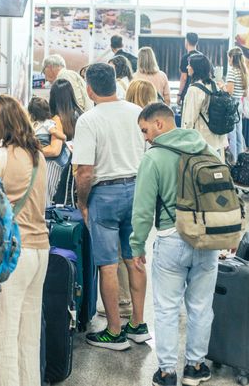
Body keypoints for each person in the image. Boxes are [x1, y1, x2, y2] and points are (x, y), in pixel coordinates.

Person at [131, 102, 218, 386]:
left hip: (172, 239)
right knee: (201, 306)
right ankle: (195, 367)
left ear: (159, 123)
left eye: (145, 130)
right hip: (207, 238)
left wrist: (137, 246)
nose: (146, 137)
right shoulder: (206, 148)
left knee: (167, 308)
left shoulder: (154, 158)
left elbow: (142, 210)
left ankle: (167, 372)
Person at [73, 62, 148, 350]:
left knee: (108, 265)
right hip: (137, 190)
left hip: (104, 195)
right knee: (135, 259)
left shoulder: (89, 120)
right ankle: (138, 324)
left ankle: (114, 331)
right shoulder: (136, 112)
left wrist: (82, 203)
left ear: (90, 89)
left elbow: (85, 172)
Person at [0, 94, 49, 386]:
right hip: (39, 251)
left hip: (8, 258)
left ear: (2, 122)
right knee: (27, 341)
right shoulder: (37, 155)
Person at [182, 54, 228, 159]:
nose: (187, 67)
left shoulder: (194, 90)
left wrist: (185, 141)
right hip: (217, 137)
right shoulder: (214, 85)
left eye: (189, 65)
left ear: (196, 68)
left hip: (202, 140)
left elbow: (189, 120)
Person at [225, 47, 249, 162]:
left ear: (231, 58)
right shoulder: (243, 71)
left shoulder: (232, 71)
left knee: (232, 134)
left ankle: (233, 161)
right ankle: (241, 160)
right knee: (239, 133)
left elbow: (229, 91)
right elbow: (245, 93)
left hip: (232, 105)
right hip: (239, 103)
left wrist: (222, 87)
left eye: (228, 57)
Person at [178, 32, 201, 105]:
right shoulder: (202, 57)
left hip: (187, 92)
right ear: (197, 42)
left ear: (186, 41)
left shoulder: (185, 58)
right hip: (200, 92)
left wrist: (179, 94)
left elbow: (184, 78)